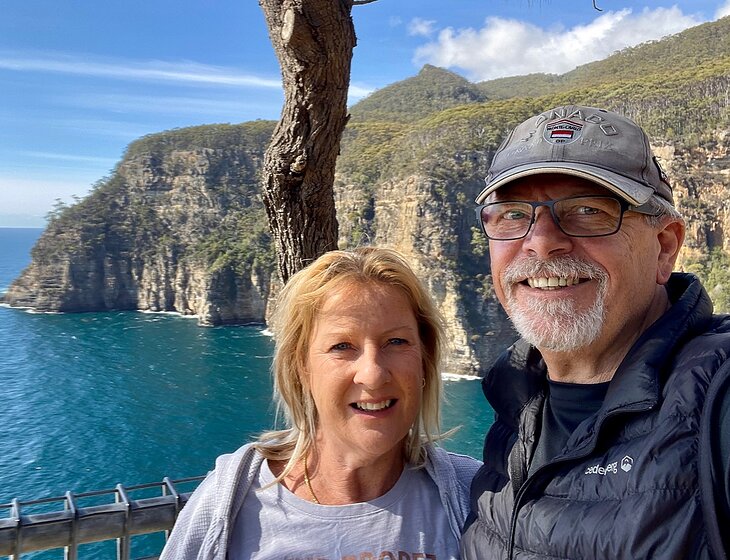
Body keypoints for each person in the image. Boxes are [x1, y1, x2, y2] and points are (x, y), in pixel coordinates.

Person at [461, 105, 730, 559]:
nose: (541, 242)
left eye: (588, 210)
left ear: (664, 247)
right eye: (512, 214)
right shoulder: (512, 413)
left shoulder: (717, 402)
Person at [160, 247, 481, 559]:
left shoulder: (476, 494)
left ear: (424, 359)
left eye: (396, 341)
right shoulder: (228, 503)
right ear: (302, 367)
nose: (372, 375)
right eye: (342, 346)